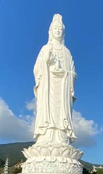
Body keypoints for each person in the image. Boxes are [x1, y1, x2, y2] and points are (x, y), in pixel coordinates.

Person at [33, 14, 77, 145]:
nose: (58, 31)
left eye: (60, 29)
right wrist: (45, 61)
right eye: (55, 28)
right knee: (46, 111)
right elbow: (36, 69)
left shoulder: (67, 52)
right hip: (48, 86)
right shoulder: (45, 49)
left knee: (61, 114)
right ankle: (45, 137)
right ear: (50, 31)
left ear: (63, 32)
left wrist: (66, 74)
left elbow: (73, 73)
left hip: (63, 87)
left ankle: (62, 137)